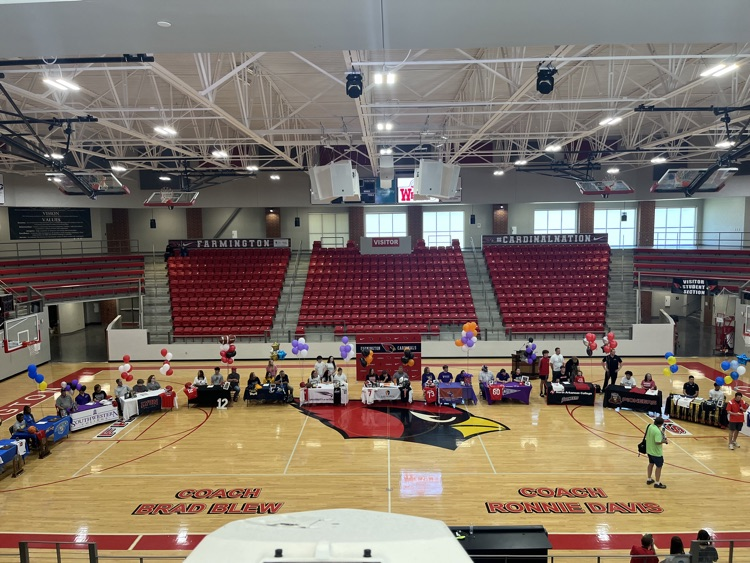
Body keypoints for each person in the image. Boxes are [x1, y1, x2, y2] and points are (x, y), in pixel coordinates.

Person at [645, 416, 668, 489]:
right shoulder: (657, 431)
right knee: (659, 467)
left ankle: (649, 479)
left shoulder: (649, 426)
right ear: (660, 424)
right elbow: (657, 441)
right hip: (656, 452)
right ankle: (657, 483)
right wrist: (664, 441)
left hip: (649, 450)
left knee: (651, 464)